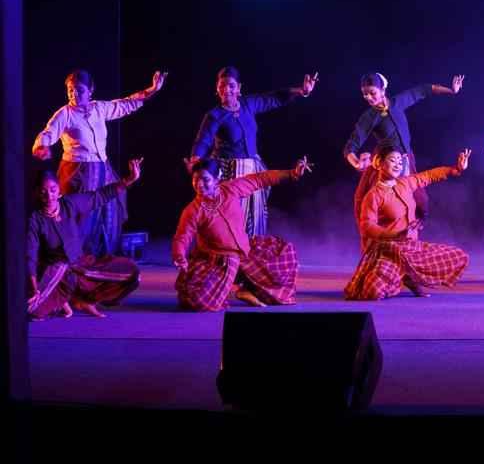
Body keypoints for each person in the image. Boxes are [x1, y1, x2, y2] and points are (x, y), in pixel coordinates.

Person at [32, 68, 166, 255]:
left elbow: (125, 104)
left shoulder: (99, 109)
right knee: (83, 217)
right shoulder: (65, 114)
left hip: (102, 169)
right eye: (70, 90)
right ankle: (77, 258)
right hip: (78, 172)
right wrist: (41, 146)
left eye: (79, 90)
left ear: (90, 90)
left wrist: (152, 90)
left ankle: (103, 256)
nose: (74, 94)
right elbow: (48, 132)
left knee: (110, 209)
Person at [187, 66, 319, 236]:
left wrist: (302, 91)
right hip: (229, 172)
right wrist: (195, 159)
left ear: (239, 88)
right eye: (222, 86)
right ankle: (231, 247)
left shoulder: (248, 104)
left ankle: (252, 246)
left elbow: (273, 98)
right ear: (217, 89)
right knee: (234, 215)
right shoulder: (214, 115)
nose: (226, 90)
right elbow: (203, 141)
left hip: (252, 167)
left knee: (255, 214)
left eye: (231, 86)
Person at [172, 156, 312, 311]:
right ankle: (234, 290)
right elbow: (182, 237)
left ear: (217, 178)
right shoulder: (192, 211)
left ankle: (247, 290)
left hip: (246, 252)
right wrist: (179, 257)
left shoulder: (230, 189)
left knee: (285, 256)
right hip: (218, 262)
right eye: (195, 180)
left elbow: (260, 179)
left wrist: (292, 173)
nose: (199, 184)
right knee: (198, 300)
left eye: (205, 180)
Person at [344, 72, 464, 248]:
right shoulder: (369, 117)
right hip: (386, 163)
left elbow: (423, 90)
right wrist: (356, 162)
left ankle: (410, 240)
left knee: (421, 200)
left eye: (372, 92)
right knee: (367, 200)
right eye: (365, 94)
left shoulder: (398, 102)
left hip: (406, 159)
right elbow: (350, 147)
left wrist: (451, 90)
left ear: (383, 89)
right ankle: (377, 247)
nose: (368, 97)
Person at [345, 146, 472, 300]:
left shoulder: (406, 183)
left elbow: (429, 175)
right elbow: (366, 226)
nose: (398, 165)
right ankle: (399, 277)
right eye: (393, 160)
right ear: (379, 163)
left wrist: (456, 169)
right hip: (389, 251)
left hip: (411, 249)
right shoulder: (373, 196)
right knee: (373, 291)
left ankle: (408, 275)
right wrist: (393, 234)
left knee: (459, 256)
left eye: (400, 162)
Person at [27, 159, 144, 320]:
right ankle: (64, 299)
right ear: (36, 193)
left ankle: (84, 300)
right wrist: (34, 288)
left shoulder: (69, 204)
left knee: (132, 274)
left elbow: (99, 196)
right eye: (43, 192)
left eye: (53, 190)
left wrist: (129, 180)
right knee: (33, 309)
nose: (49, 196)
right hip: (57, 276)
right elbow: (31, 256)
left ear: (59, 189)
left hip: (82, 267)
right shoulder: (35, 219)